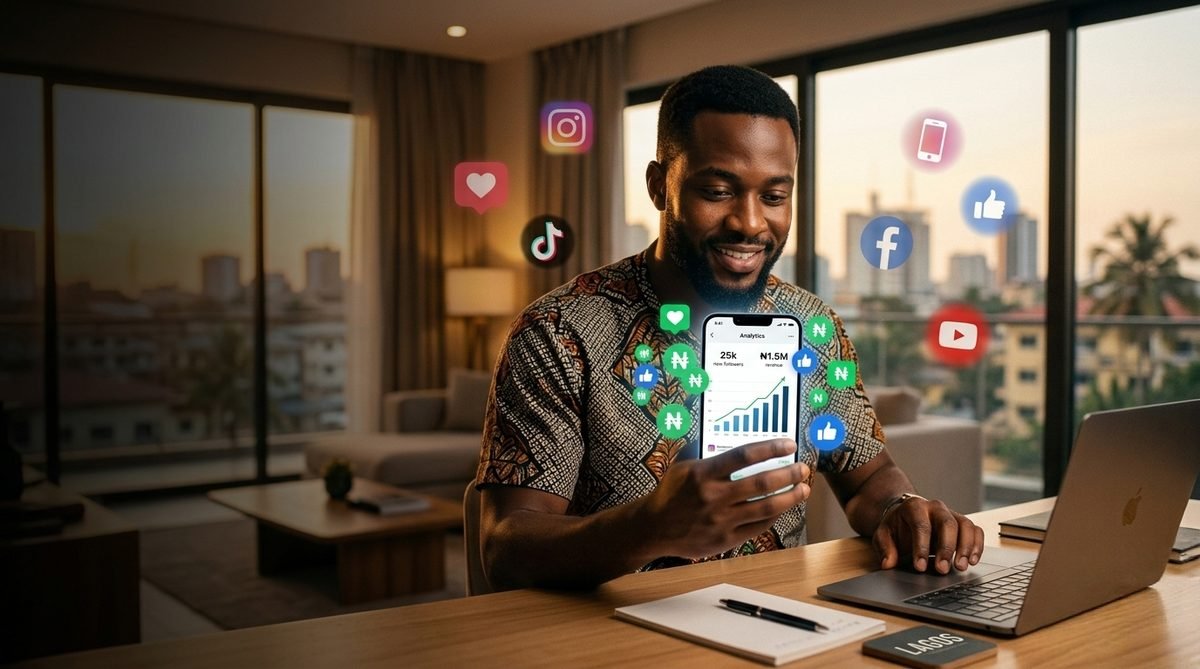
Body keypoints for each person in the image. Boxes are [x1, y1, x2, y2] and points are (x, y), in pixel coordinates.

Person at [475, 65, 984, 591]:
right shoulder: (558, 331)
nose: (750, 222)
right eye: (717, 191)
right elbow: (505, 548)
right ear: (659, 186)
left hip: (779, 627)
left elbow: (869, 480)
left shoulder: (811, 326)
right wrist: (649, 528)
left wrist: (904, 509)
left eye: (774, 196)